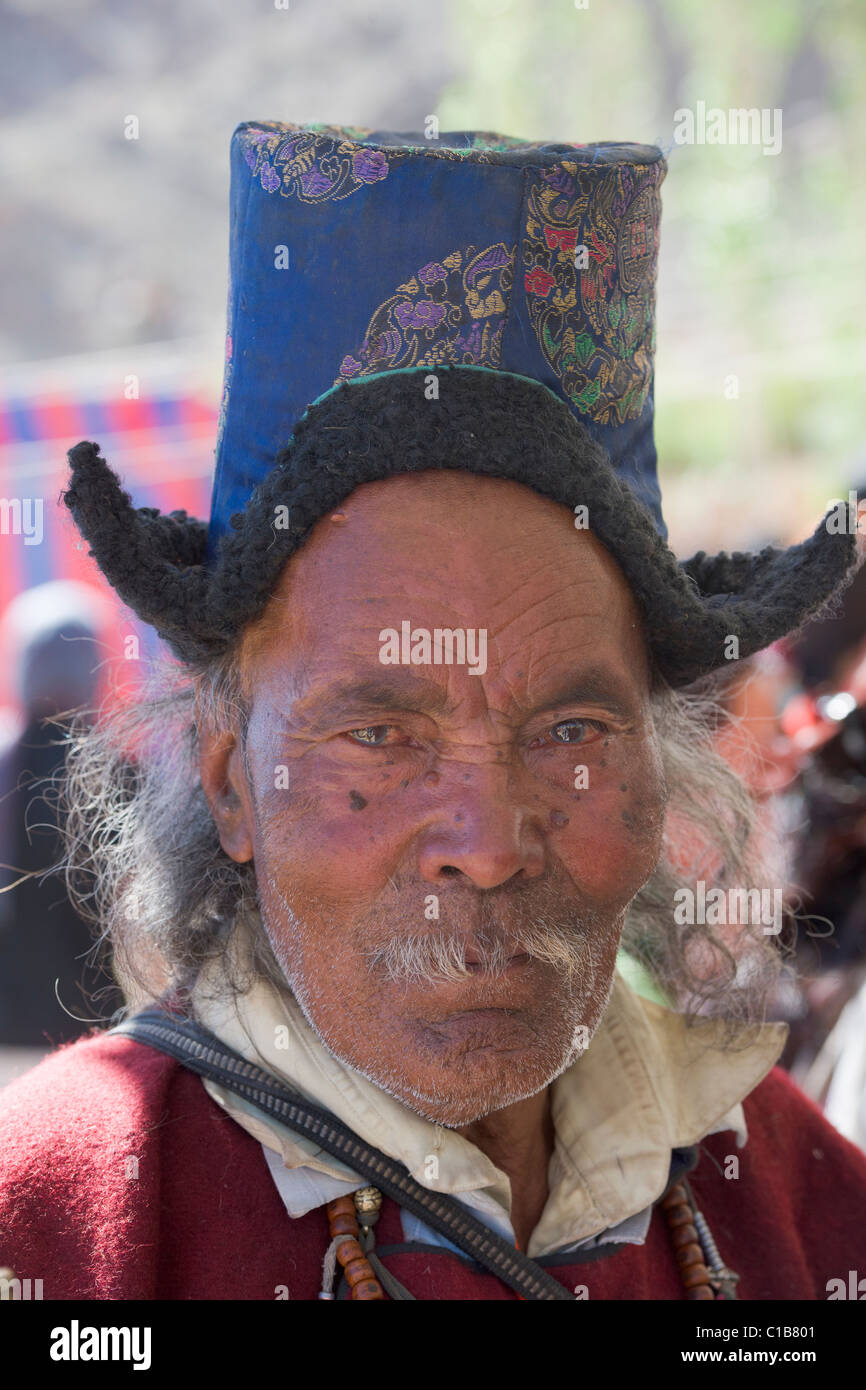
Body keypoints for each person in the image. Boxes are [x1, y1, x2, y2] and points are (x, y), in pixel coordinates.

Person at [0, 122, 864, 1302]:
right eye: (379, 734)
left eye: (570, 732)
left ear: (664, 777)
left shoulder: (795, 1202)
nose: (488, 840)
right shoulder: (57, 1228)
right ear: (229, 783)